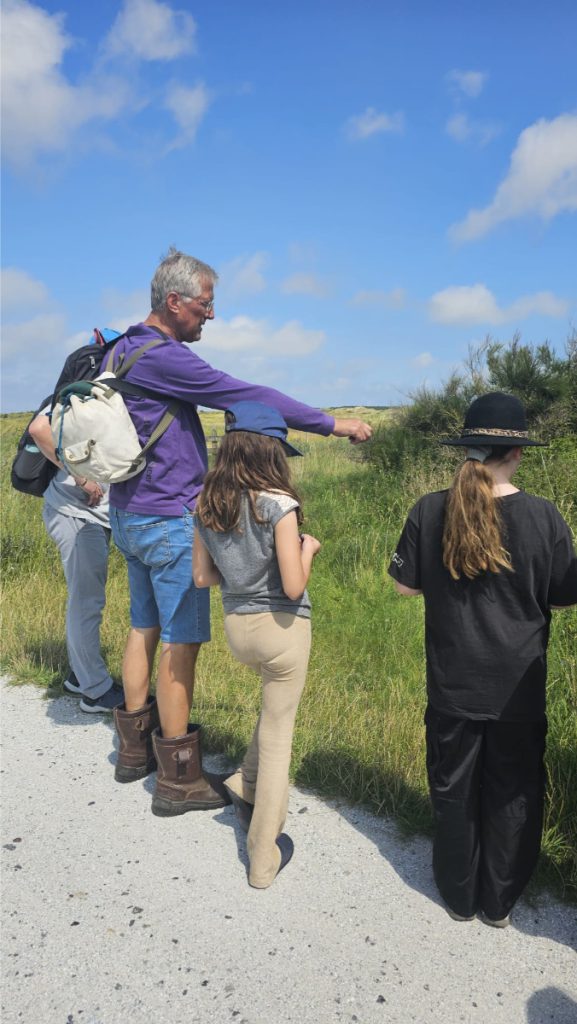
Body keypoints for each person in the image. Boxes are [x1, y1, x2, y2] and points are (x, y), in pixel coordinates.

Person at [107, 248, 372, 814]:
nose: (210, 316)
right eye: (205, 305)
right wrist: (333, 424)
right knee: (181, 643)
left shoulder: (119, 347)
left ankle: (133, 755)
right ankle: (179, 779)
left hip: (127, 513)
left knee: (141, 626)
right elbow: (248, 395)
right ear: (173, 303)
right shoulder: (165, 357)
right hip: (169, 516)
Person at [388, 392, 577, 927]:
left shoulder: (429, 508)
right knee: (511, 791)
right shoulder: (544, 516)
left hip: (452, 683)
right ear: (517, 453)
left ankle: (458, 895)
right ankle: (499, 902)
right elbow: (564, 596)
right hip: (518, 686)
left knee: (453, 787)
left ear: (467, 447)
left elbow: (405, 587)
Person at [193, 401, 320, 887]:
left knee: (270, 715)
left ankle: (241, 781)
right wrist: (307, 550)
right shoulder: (278, 506)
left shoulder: (208, 503)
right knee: (279, 734)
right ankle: (263, 856)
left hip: (237, 629)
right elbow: (292, 586)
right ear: (272, 452)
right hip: (282, 629)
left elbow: (203, 577)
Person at [28, 413, 122, 713]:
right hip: (76, 513)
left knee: (85, 597)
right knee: (86, 601)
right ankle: (95, 690)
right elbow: (39, 429)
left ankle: (79, 675)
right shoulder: (85, 389)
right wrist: (82, 478)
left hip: (88, 514)